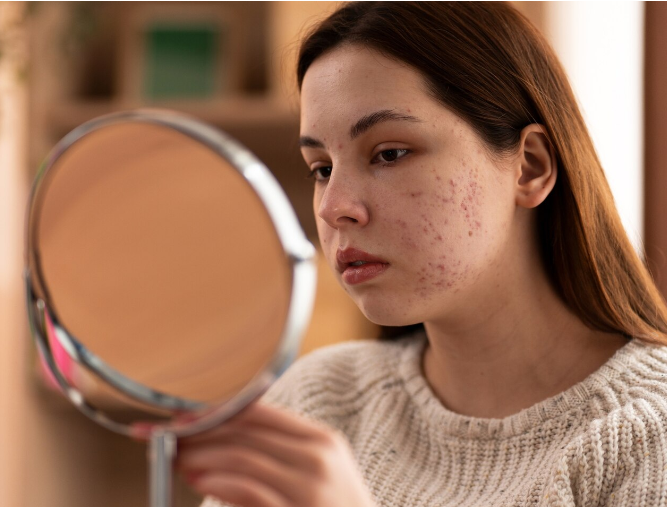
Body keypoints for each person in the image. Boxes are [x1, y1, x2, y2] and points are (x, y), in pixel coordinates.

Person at [178, 3, 667, 506]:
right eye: (321, 167)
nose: (334, 207)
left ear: (530, 167)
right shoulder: (317, 402)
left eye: (389, 153)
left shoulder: (648, 436)